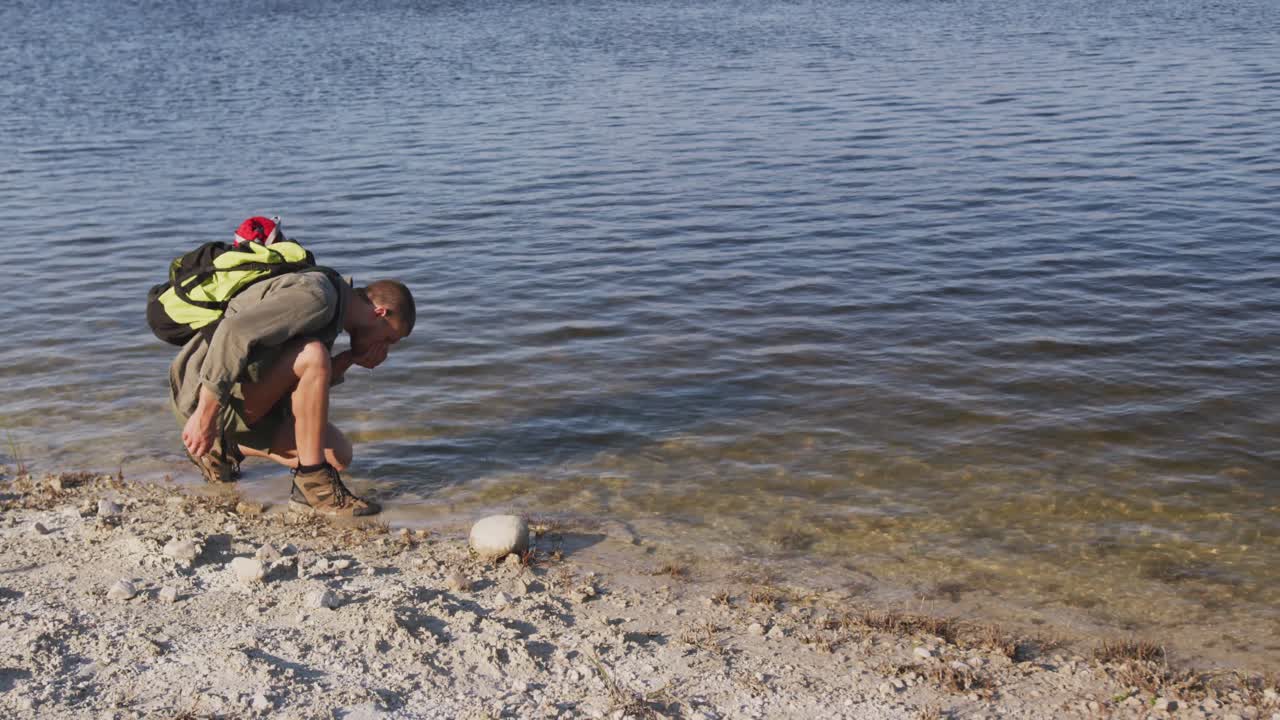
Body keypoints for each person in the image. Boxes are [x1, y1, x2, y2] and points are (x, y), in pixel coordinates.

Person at [169, 260, 415, 517]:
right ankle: (312, 488)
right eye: (388, 339)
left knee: (338, 455)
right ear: (380, 313)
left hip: (242, 395)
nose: (384, 348)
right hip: (203, 396)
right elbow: (232, 333)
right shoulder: (318, 297)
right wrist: (205, 415)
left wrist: (351, 358)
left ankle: (221, 449)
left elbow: (304, 383)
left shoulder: (334, 310)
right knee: (314, 355)